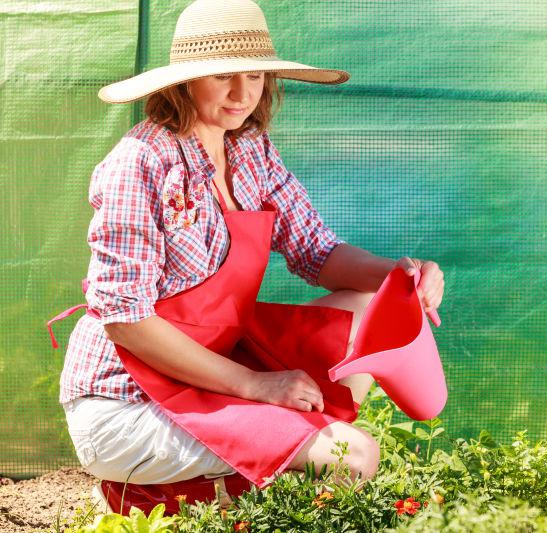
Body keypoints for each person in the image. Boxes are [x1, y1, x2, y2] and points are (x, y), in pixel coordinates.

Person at [54, 0, 444, 513]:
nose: (242, 94)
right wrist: (258, 385)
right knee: (353, 457)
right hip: (128, 400)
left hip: (212, 365)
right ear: (184, 81)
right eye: (223, 77)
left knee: (373, 304)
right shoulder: (140, 162)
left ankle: (236, 479)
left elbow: (315, 250)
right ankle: (174, 487)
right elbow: (125, 319)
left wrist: (399, 274)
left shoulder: (249, 149)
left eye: (256, 75)